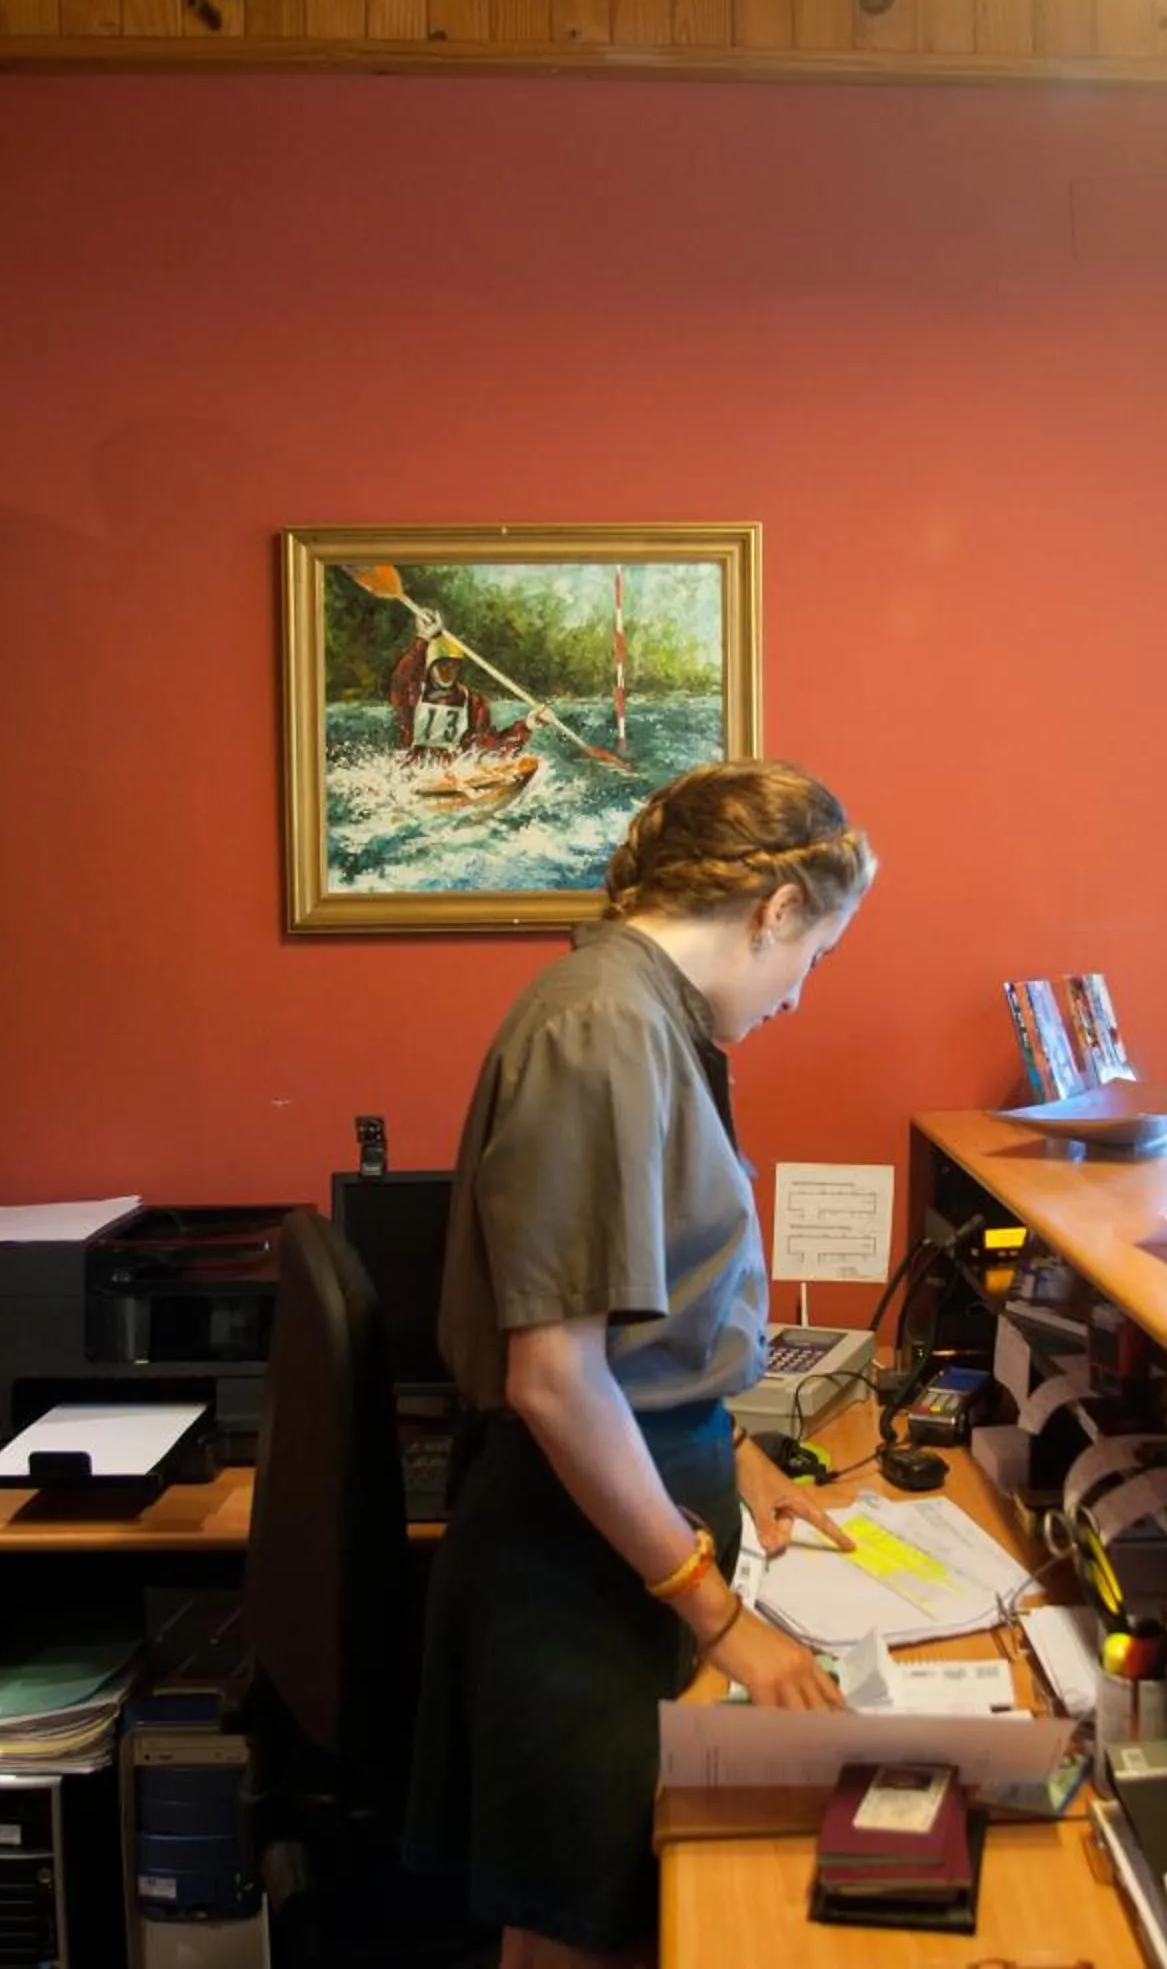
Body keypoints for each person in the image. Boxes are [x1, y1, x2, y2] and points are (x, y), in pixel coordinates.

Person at [405, 759, 877, 1968]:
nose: (799, 992)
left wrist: (732, 1457)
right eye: (813, 956)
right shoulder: (601, 1025)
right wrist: (723, 1619)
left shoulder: (649, 1017)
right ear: (775, 908)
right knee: (577, 1927)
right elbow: (556, 1380)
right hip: (571, 1559)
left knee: (620, 1903)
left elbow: (641, 1339)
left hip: (634, 1512)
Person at [390, 616, 536, 761]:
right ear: (429, 668)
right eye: (442, 665)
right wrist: (424, 637)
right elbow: (401, 679)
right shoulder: (414, 695)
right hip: (413, 768)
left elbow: (491, 746)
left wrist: (528, 725)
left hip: (450, 773)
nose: (448, 671)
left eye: (454, 666)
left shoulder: (472, 703)